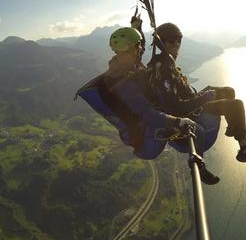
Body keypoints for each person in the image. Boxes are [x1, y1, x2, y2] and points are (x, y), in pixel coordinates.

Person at [76, 26, 219, 184]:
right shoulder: (122, 82)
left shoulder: (124, 67)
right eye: (139, 46)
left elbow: (140, 56)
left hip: (144, 130)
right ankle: (200, 171)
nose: (142, 49)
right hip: (148, 137)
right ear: (132, 48)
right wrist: (178, 122)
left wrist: (137, 27)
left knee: (185, 120)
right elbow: (148, 114)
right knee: (196, 129)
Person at [147, 22, 246, 164]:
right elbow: (176, 108)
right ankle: (244, 150)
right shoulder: (163, 68)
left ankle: (233, 128)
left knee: (228, 91)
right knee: (236, 105)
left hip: (191, 100)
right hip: (190, 112)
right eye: (171, 40)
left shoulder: (163, 61)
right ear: (162, 44)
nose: (177, 44)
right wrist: (203, 99)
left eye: (178, 39)